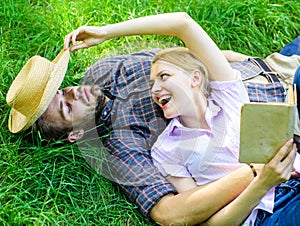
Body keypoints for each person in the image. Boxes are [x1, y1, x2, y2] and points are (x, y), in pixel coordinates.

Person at [6, 12, 300, 225]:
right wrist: (255, 173)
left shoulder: (106, 68)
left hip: (272, 73)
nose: (74, 93)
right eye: (67, 108)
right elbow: (170, 213)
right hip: (275, 151)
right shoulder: (123, 148)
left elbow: (180, 48)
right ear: (76, 134)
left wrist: (108, 31)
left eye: (62, 90)